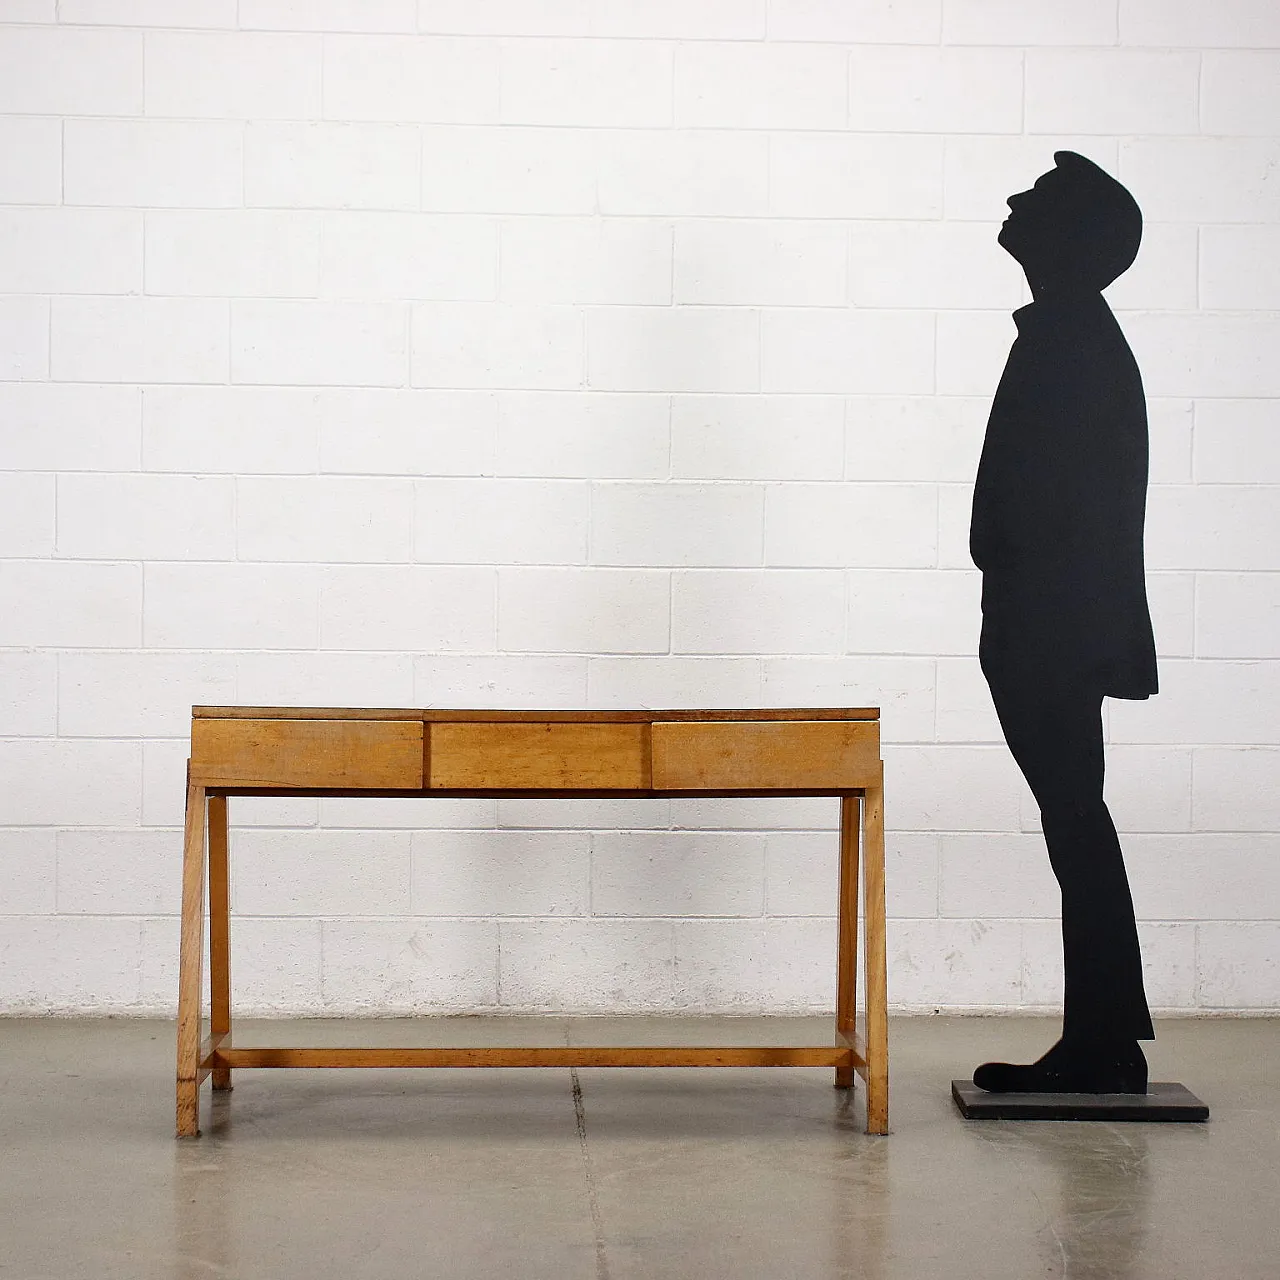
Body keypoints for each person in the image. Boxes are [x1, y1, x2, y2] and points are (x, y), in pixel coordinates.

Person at [968, 151, 1157, 1093]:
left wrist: (1029, 617)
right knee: (1075, 817)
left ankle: (1105, 1042)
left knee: (1076, 817)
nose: (1013, 200)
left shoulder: (1073, 342)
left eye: (1037, 199)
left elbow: (1076, 511)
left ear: (1072, 240)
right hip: (1046, 624)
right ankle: (1105, 1036)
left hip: (1053, 629)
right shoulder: (1069, 335)